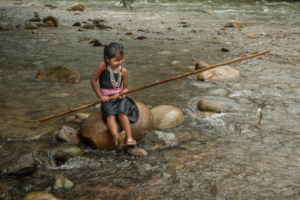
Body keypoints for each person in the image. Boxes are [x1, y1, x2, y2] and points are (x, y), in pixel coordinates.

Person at [90, 42, 139, 149]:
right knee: (110, 115)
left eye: (121, 59)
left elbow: (125, 88)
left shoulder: (123, 71)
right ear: (107, 59)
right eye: (116, 60)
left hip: (119, 98)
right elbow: (93, 81)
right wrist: (100, 97)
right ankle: (116, 139)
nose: (120, 62)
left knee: (122, 113)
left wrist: (122, 95)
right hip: (107, 99)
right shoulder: (103, 66)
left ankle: (129, 138)